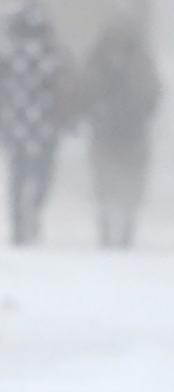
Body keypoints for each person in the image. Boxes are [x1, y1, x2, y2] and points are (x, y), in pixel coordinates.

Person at [0, 2, 68, 246]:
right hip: (44, 124)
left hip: (18, 122)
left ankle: (21, 221)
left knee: (19, 174)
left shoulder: (7, 51)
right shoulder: (54, 52)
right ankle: (29, 217)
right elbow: (64, 87)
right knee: (40, 173)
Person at [78, 7, 161, 248]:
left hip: (128, 130)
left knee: (125, 180)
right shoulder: (106, 58)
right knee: (110, 179)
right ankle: (112, 226)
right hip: (113, 130)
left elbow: (152, 92)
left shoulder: (136, 59)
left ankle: (122, 226)